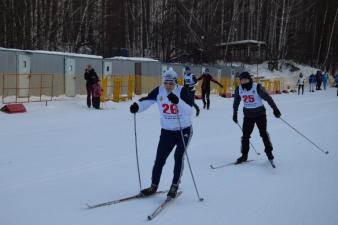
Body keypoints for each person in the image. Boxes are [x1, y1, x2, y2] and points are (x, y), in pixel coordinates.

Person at [129, 67, 193, 198]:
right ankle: (153, 186)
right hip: (167, 131)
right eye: (166, 83)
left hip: (183, 130)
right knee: (159, 159)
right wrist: (137, 107)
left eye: (171, 83)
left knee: (178, 156)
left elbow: (189, 111)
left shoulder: (182, 91)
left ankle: (174, 185)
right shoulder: (159, 91)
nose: (168, 86)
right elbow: (147, 101)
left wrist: (178, 101)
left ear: (176, 82)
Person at [232, 72, 281, 164]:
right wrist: (235, 113)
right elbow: (236, 102)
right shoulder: (239, 89)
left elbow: (268, 98)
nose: (243, 81)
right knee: (245, 136)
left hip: (260, 115)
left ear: (249, 79)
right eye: (242, 80)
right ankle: (244, 155)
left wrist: (275, 109)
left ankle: (269, 152)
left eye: (245, 79)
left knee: (263, 134)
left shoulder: (257, 87)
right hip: (248, 116)